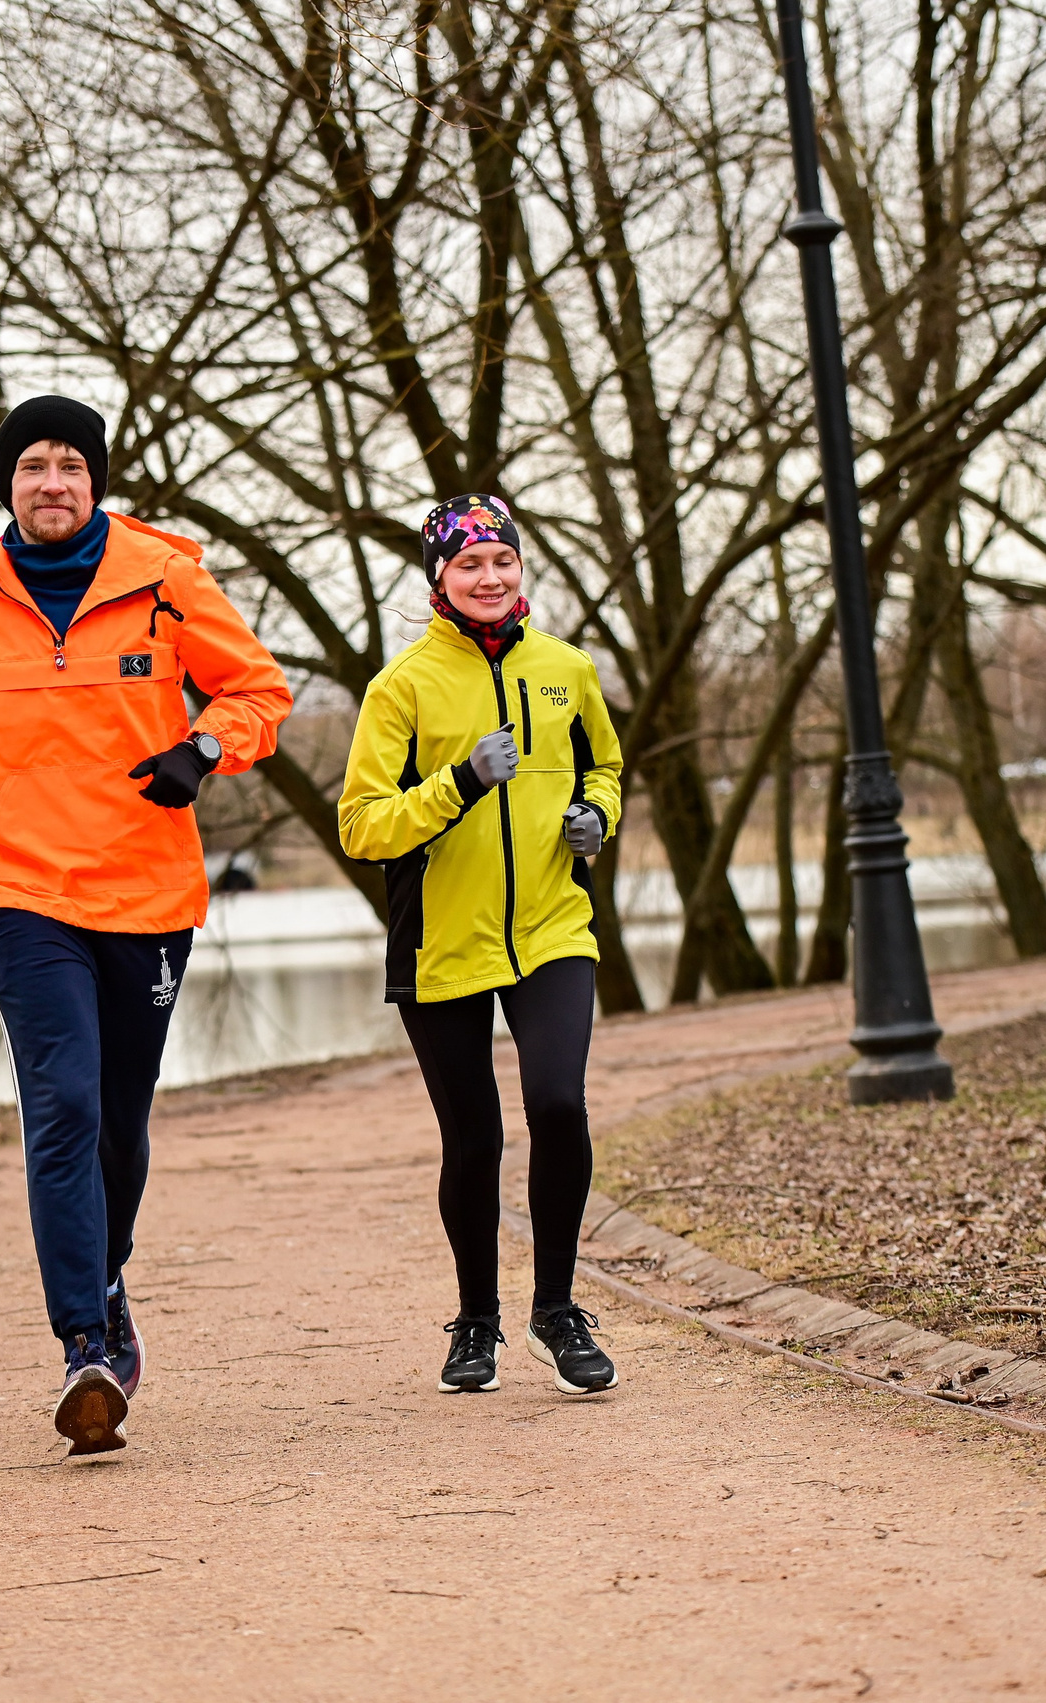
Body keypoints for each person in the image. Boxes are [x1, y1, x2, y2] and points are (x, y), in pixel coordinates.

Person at [0, 396, 291, 1455]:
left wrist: (203, 750)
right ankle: (85, 1339)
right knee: (63, 1101)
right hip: (20, 884)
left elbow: (258, 690)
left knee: (120, 1120)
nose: (52, 481)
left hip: (146, 887)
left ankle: (106, 1272)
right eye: (32, 465)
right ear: (6, 484)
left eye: (70, 465)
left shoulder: (167, 578)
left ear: (96, 482)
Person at [337, 494, 626, 1397]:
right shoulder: (404, 687)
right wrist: (457, 782)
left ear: (520, 569)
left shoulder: (567, 669)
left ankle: (556, 1308)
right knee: (474, 1142)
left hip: (551, 926)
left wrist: (595, 819)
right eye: (470, 565)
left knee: (560, 1106)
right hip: (441, 943)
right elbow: (361, 825)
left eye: (502, 561)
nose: (490, 577)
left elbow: (607, 768)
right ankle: (476, 1321)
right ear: (439, 579)